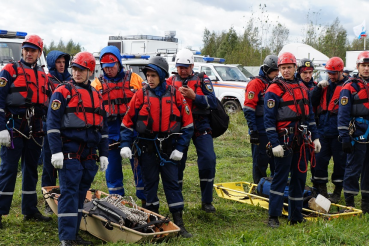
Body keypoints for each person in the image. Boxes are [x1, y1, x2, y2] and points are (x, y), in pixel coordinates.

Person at [120, 56, 194, 237]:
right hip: (146, 148)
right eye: (148, 75)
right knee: (149, 186)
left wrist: (180, 149)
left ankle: (179, 223)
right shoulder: (140, 95)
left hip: (169, 149)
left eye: (154, 75)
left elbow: (188, 124)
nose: (150, 79)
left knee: (172, 185)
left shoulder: (176, 94)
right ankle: (151, 223)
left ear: (162, 75)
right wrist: (125, 145)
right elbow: (127, 122)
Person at [47, 51, 109, 245]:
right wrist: (56, 150)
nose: (76, 73)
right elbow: (52, 123)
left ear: (90, 71)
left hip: (89, 154)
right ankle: (66, 238)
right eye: (74, 69)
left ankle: (74, 234)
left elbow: (103, 128)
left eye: (81, 70)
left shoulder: (97, 95)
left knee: (81, 193)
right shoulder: (62, 91)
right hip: (69, 152)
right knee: (69, 193)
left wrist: (105, 154)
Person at [0, 34, 52, 229]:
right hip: (14, 127)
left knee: (31, 170)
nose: (29, 53)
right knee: (8, 170)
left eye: (33, 50)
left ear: (39, 53)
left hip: (35, 129)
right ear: (22, 50)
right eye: (26, 49)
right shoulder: (9, 71)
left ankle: (30, 209)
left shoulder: (42, 75)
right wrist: (1, 129)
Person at [264, 52, 321, 227]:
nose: (286, 71)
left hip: (302, 141)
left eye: (289, 67)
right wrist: (274, 143)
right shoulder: (273, 89)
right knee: (280, 179)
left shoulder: (303, 88)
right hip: (284, 141)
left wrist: (316, 137)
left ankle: (295, 216)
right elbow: (268, 120)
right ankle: (273, 216)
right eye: (283, 68)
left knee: (299, 179)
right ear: (279, 69)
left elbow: (310, 115)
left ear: (295, 68)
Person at [91, 46, 146, 206]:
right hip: (110, 136)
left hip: (132, 135)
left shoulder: (135, 80)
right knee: (112, 173)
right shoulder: (97, 85)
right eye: (105, 67)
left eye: (112, 66)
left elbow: (146, 103)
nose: (109, 70)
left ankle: (145, 202)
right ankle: (117, 205)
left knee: (140, 171)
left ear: (119, 63)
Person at [166, 49, 218, 213]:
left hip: (201, 124)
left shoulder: (203, 80)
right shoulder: (170, 81)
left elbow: (213, 103)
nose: (182, 70)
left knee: (208, 159)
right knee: (177, 162)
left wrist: (195, 96)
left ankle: (207, 200)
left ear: (192, 66)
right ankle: (177, 200)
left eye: (185, 67)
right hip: (179, 126)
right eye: (180, 67)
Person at [311, 57, 348, 203]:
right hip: (323, 129)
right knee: (320, 161)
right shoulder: (324, 85)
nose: (331, 76)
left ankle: (337, 191)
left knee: (340, 163)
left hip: (339, 131)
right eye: (329, 73)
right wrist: (318, 88)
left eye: (333, 73)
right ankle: (322, 190)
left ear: (341, 71)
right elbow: (312, 102)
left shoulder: (348, 85)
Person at [338, 51, 369, 213]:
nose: (366, 68)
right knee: (353, 169)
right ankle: (349, 204)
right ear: (357, 67)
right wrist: (344, 137)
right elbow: (342, 113)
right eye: (363, 65)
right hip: (357, 134)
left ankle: (366, 204)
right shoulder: (349, 87)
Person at [42, 50, 72, 214]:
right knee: (49, 167)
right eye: (58, 62)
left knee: (67, 165)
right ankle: (48, 203)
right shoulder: (46, 80)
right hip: (51, 127)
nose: (61, 65)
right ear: (52, 63)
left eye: (63, 62)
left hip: (68, 130)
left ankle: (64, 198)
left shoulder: (71, 80)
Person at [243, 55, 278, 184]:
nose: (277, 74)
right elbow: (248, 108)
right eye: (275, 71)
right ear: (268, 70)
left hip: (272, 128)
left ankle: (274, 185)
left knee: (275, 158)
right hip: (259, 127)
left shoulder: (274, 83)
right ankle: (259, 185)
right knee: (260, 160)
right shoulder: (255, 84)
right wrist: (253, 131)